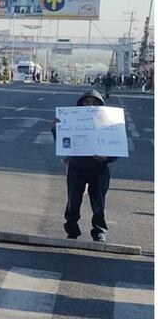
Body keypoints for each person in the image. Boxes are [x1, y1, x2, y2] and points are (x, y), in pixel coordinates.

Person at [52, 89, 115, 242]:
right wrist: (56, 128)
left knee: (98, 202)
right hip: (77, 166)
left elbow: (116, 145)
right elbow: (63, 142)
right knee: (73, 201)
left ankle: (99, 231)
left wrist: (107, 158)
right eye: (86, 102)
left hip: (99, 168)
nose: (90, 105)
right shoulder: (73, 120)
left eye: (94, 103)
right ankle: (72, 230)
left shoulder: (108, 123)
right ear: (80, 104)